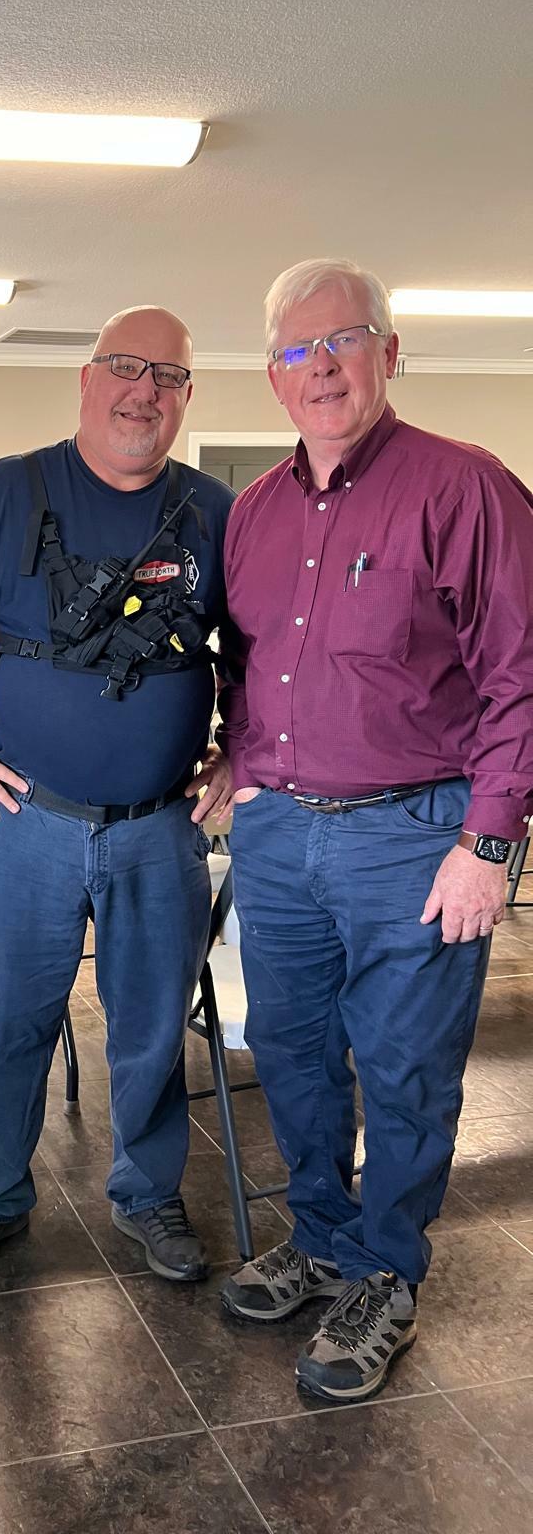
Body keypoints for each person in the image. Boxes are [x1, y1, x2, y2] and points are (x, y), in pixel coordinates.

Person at [218, 257, 533, 1403]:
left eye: (344, 340)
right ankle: (320, 1236)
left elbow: (521, 674)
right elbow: (244, 665)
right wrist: (241, 762)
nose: (324, 367)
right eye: (300, 351)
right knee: (291, 1050)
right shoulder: (251, 513)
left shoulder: (467, 488)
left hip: (418, 836)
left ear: (389, 354)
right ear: (273, 378)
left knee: (404, 1069)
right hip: (280, 838)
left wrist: (491, 841)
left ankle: (387, 1270)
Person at [0, 306, 236, 1279]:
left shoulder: (213, 509)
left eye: (168, 376)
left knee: (152, 1025)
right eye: (127, 368)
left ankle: (149, 1194)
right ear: (87, 379)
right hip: (27, 821)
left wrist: (242, 747)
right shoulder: (8, 493)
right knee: (10, 1021)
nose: (145, 391)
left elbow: (262, 646)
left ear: (186, 396)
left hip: (161, 827)